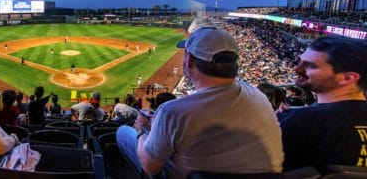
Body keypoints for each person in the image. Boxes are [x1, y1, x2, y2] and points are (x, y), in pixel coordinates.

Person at [117, 27, 283, 177]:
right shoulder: (259, 97)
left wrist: (141, 130)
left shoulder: (173, 111)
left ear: (189, 60)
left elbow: (150, 166)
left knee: (123, 133)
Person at [278, 36, 367, 170]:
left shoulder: (301, 121)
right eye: (300, 61)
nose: (297, 68)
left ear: (348, 78)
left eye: (311, 65)